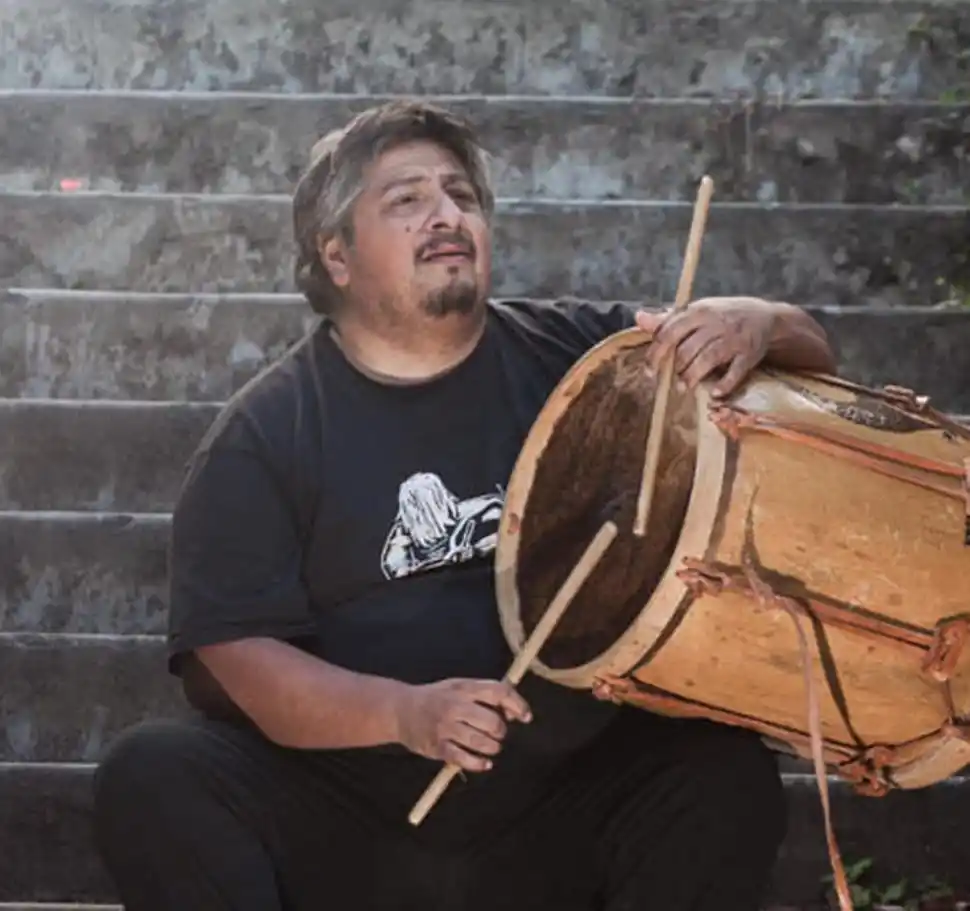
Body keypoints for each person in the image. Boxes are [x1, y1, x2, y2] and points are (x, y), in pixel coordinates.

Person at [91, 100, 838, 911]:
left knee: (720, 772)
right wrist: (404, 712)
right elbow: (234, 660)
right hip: (350, 820)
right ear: (336, 256)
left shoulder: (584, 357)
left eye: (462, 195)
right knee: (151, 774)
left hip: (562, 800)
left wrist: (758, 322)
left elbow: (811, 357)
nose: (447, 215)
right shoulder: (266, 431)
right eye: (406, 200)